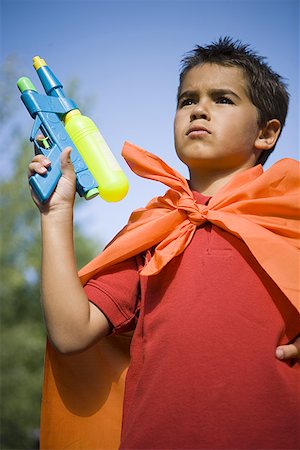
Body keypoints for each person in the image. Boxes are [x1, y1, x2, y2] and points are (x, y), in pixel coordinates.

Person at [29, 37, 299, 449]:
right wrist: (56, 212)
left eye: (223, 99)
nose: (199, 109)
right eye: (186, 100)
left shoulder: (290, 215)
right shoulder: (155, 228)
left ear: (267, 132)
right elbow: (71, 332)